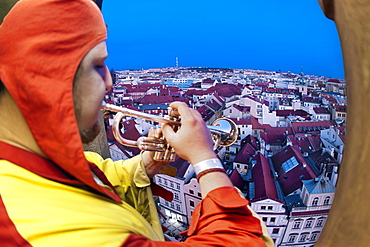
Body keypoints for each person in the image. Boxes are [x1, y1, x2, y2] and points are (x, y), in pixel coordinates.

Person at [0, 0, 273, 246]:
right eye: (98, 66)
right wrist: (204, 158)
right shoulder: (62, 235)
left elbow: (98, 177)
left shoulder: (27, 158)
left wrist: (147, 164)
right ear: (47, 78)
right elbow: (244, 241)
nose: (109, 82)